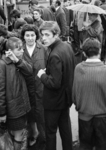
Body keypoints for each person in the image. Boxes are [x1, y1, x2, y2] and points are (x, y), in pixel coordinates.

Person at [73, 38, 106, 150]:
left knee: (85, 146)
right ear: (99, 51)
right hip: (103, 119)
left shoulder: (78, 68)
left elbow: (75, 95)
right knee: (102, 146)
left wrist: (80, 107)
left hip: (84, 117)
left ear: (84, 53)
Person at [37, 21, 75, 150]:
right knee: (65, 129)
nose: (44, 38)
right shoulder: (66, 46)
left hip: (54, 101)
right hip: (65, 98)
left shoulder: (54, 55)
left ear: (56, 34)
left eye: (47, 35)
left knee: (50, 132)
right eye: (42, 35)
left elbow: (54, 83)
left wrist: (42, 75)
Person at [0, 37, 34, 150]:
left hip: (20, 107)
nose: (22, 51)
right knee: (19, 135)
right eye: (18, 49)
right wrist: (1, 114)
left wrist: (18, 61)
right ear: (8, 51)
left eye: (22, 48)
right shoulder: (1, 66)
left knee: (17, 134)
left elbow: (30, 71)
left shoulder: (17, 61)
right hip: (13, 110)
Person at [21, 24, 47, 146]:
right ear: (23, 37)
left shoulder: (44, 49)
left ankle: (44, 136)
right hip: (26, 88)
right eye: (27, 35)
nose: (30, 38)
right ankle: (35, 133)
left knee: (41, 113)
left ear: (36, 36)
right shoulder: (20, 49)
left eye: (32, 35)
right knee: (30, 113)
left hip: (40, 87)